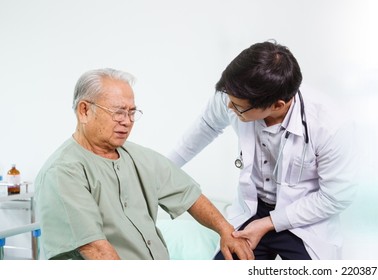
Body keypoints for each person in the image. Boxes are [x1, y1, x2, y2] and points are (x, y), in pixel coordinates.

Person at [35, 68, 253, 260]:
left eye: (131, 112)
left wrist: (225, 231)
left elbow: (189, 195)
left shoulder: (141, 157)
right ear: (84, 110)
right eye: (118, 112)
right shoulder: (63, 172)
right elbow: (96, 250)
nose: (127, 121)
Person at [167, 41, 357, 260]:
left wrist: (269, 223)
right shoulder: (235, 95)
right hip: (252, 209)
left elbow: (335, 197)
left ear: (277, 105)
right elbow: (206, 127)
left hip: (303, 217)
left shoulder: (330, 126)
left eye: (238, 107)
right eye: (228, 99)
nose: (229, 107)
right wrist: (160, 169)